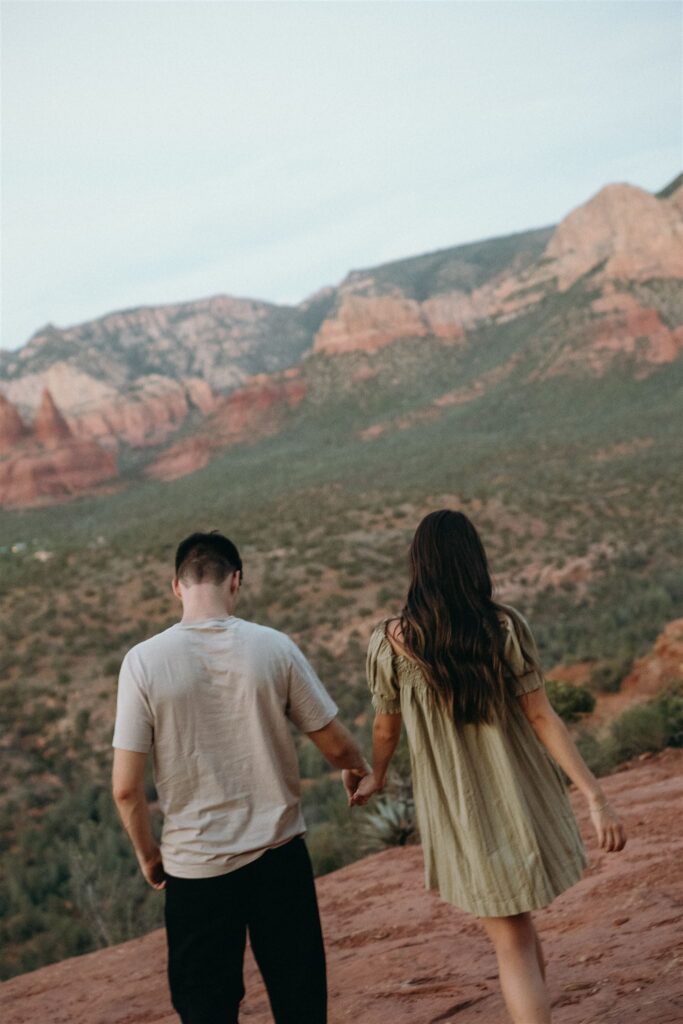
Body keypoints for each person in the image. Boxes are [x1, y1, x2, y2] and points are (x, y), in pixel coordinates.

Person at [351, 509, 626, 1024]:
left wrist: (377, 776)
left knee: (511, 940)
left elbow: (386, 729)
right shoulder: (503, 627)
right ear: (472, 561)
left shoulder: (389, 642)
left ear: (418, 565)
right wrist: (594, 795)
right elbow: (542, 716)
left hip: (460, 809)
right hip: (517, 796)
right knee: (518, 930)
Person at [111, 530, 369, 1024]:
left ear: (177, 586)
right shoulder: (273, 646)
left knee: (205, 1010)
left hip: (195, 871)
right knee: (300, 1003)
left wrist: (149, 855)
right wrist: (358, 768)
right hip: (279, 858)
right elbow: (336, 746)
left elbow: (126, 789)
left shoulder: (142, 662)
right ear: (236, 581)